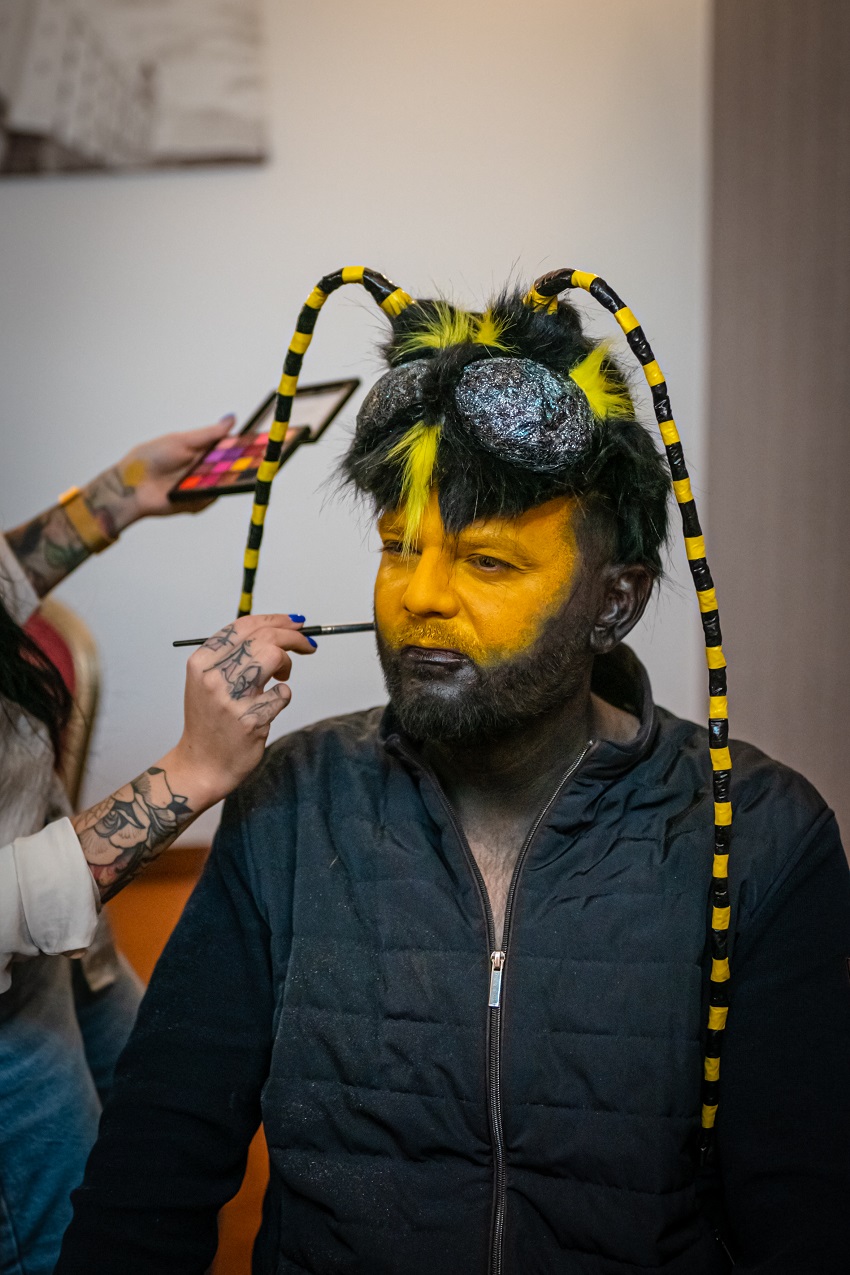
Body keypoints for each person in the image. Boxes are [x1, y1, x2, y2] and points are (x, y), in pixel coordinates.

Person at [57, 276, 850, 1274]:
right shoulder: (292, 805)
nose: (420, 596)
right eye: (400, 547)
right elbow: (151, 1174)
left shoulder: (762, 835)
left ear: (613, 603)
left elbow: (805, 1217)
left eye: (488, 562)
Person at [0, 422, 314, 1275]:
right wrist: (193, 770)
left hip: (61, 951)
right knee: (70, 1237)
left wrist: (127, 489)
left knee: (149, 1132)